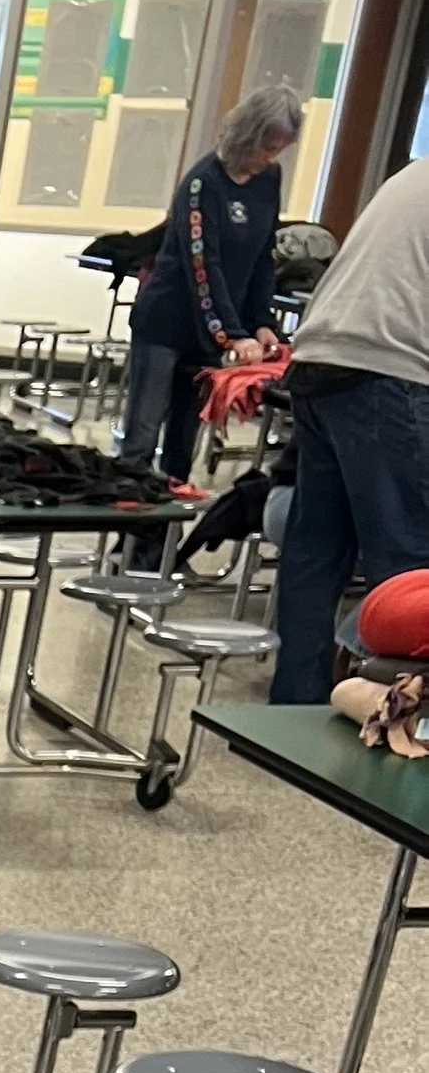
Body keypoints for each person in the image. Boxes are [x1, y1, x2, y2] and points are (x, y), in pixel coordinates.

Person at [271, 153, 429, 705]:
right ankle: (399, 724)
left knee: (317, 551)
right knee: (410, 570)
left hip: (320, 358)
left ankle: (293, 708)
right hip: (388, 368)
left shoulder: (415, 174)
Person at [117, 88, 301, 483]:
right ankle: (127, 544)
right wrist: (232, 335)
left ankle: (161, 543)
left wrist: (261, 322)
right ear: (247, 135)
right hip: (166, 324)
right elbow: (204, 267)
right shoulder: (202, 184)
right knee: (142, 441)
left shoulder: (268, 179)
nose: (270, 158)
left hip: (209, 336)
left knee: (183, 447)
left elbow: (262, 255)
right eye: (266, 148)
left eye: (278, 150)